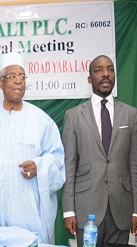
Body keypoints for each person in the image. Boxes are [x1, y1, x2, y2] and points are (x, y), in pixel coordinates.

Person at [0, 52, 65, 246]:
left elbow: (58, 161)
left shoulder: (42, 121)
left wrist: (39, 166)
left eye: (22, 77)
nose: (18, 81)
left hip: (33, 223)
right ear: (0, 82)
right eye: (12, 76)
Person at [61, 55, 137, 246]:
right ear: (89, 79)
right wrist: (69, 210)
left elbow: (134, 166)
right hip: (86, 209)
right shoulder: (74, 116)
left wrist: (135, 210)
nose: (105, 74)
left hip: (121, 210)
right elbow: (68, 166)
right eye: (98, 70)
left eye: (110, 69)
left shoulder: (131, 114)